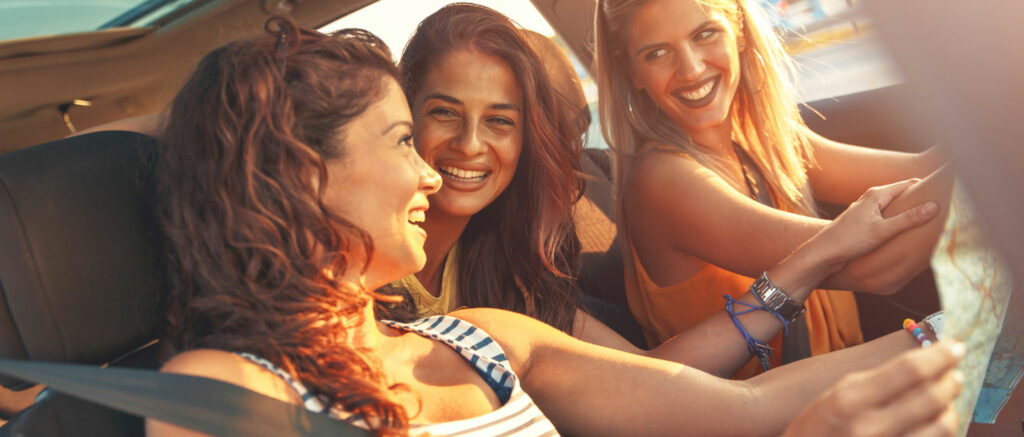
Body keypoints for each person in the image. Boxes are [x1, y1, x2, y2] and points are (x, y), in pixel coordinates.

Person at [147, 18, 964, 437]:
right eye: (410, 135)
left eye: (501, 121)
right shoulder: (224, 386)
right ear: (299, 170)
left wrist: (961, 331)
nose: (440, 167)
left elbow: (729, 409)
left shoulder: (485, 336)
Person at [594, 0, 953, 376]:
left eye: (704, 35)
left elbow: (923, 170)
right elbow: (876, 265)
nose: (691, 68)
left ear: (740, 34)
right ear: (631, 71)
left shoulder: (761, 140)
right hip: (786, 416)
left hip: (847, 385)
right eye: (657, 53)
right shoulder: (662, 182)